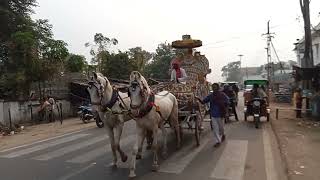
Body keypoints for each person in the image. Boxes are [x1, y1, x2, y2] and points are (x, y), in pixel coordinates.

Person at [196, 83, 229, 147]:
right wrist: (198, 99)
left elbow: (227, 102)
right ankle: (218, 141)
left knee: (221, 128)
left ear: (218, 88)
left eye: (215, 87)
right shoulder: (211, 96)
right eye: (213, 87)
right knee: (215, 129)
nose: (214, 88)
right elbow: (203, 102)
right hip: (213, 115)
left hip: (221, 114)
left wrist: (226, 111)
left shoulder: (222, 95)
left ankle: (223, 134)